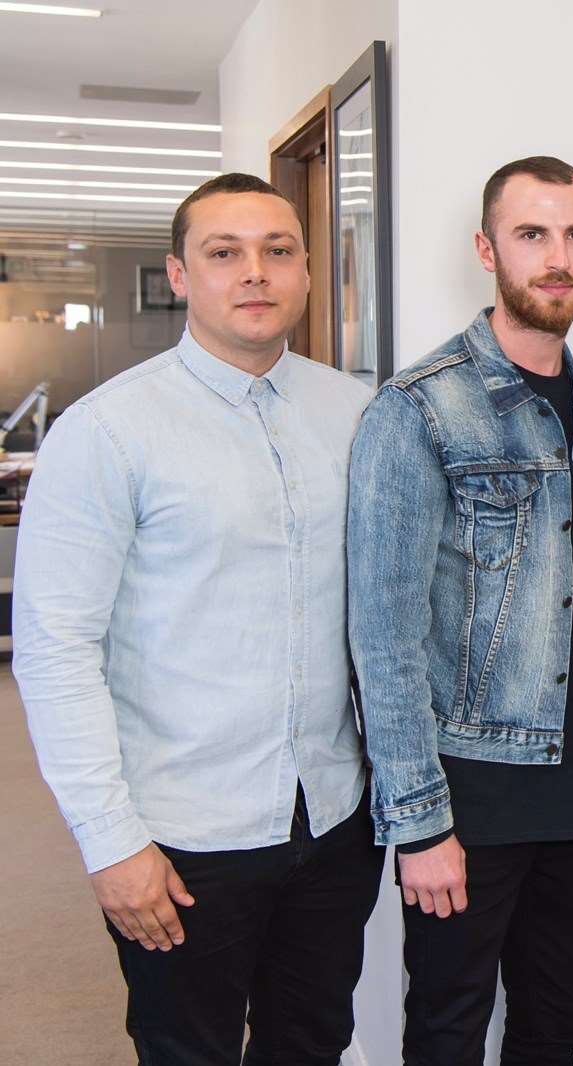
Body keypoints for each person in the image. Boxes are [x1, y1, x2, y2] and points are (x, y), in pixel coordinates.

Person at [12, 172, 383, 1064]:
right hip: (181, 839)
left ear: (305, 274)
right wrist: (111, 846)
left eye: (278, 251)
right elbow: (56, 651)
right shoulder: (108, 433)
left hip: (331, 820)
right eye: (224, 253)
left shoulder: (357, 414)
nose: (254, 272)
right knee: (190, 1050)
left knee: (314, 1041)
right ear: (180, 275)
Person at [345, 156, 573, 1065]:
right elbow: (384, 635)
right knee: (448, 1028)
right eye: (532, 235)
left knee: (557, 1024)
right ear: (488, 249)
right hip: (468, 792)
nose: (557, 258)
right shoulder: (419, 411)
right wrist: (421, 826)